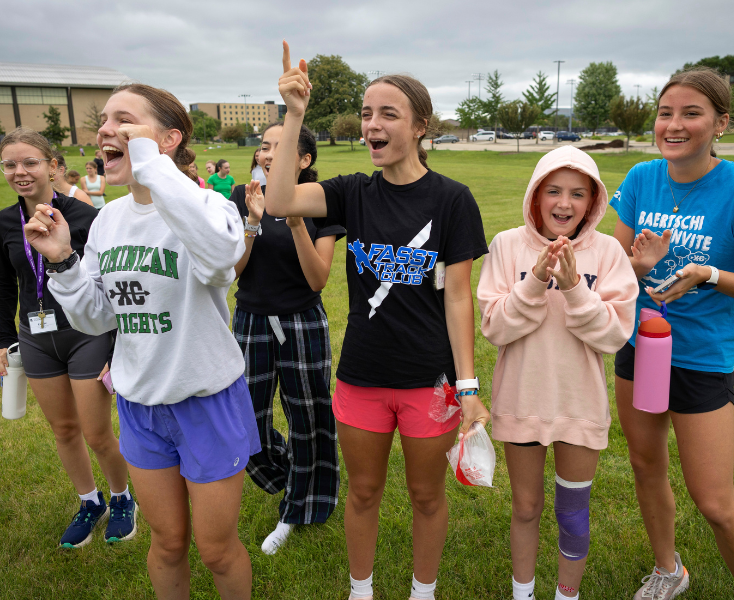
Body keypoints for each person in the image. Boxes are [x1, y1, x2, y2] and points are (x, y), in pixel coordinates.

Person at [265, 42, 490, 600]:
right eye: (367, 113)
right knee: (363, 493)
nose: (372, 124)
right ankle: (360, 589)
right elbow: (279, 200)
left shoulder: (452, 200)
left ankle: (422, 590)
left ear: (420, 126)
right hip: (362, 378)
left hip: (427, 380)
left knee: (425, 496)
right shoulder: (351, 193)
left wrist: (468, 387)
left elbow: (459, 299)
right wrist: (294, 114)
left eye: (388, 113)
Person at [24, 83, 260, 599]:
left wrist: (155, 168)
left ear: (168, 138)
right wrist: (63, 261)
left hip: (207, 400)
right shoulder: (109, 219)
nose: (106, 129)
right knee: (168, 542)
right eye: (105, 119)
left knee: (217, 550)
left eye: (124, 120)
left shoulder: (207, 205)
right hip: (139, 404)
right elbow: (95, 318)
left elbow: (221, 257)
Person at [609, 67, 734, 600]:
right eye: (666, 112)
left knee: (714, 501)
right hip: (639, 348)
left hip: (701, 359)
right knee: (645, 466)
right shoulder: (642, 177)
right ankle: (670, 570)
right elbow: (617, 263)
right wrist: (638, 268)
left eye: (691, 113)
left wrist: (708, 274)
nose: (674, 124)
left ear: (720, 124)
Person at [477, 146, 639, 600]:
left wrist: (572, 289)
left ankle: (567, 595)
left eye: (577, 194)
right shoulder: (508, 245)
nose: (564, 204)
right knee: (525, 507)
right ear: (535, 196)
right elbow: (494, 327)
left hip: (579, 405)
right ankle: (522, 593)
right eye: (553, 191)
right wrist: (534, 282)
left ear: (593, 202)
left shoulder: (608, 252)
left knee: (572, 513)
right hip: (522, 399)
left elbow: (613, 336)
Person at [0, 127, 136, 549]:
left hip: (85, 334)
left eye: (30, 162)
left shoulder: (85, 217)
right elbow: (4, 281)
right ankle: (89, 502)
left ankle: (123, 498)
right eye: (10, 164)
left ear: (53, 167)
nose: (20, 172)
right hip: (36, 338)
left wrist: (115, 344)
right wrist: (4, 338)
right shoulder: (4, 222)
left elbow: (109, 284)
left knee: (96, 432)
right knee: (64, 430)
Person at [230, 122, 344, 555]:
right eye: (264, 146)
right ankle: (298, 476)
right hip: (251, 321)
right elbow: (232, 272)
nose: (269, 154)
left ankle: (297, 507)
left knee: (309, 417)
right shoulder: (241, 197)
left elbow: (317, 279)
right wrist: (253, 223)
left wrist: (297, 224)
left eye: (282, 147)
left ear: (305, 160)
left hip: (302, 322)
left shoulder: (322, 204)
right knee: (246, 419)